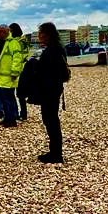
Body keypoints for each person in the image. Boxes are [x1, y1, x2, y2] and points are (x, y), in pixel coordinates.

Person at [37, 22, 68, 164]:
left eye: (41, 33)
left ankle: (56, 154)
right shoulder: (56, 49)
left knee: (51, 120)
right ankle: (55, 152)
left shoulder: (52, 50)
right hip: (52, 89)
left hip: (50, 90)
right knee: (50, 120)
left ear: (47, 34)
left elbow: (50, 71)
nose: (39, 36)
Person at [0, 24, 28, 126]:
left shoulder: (13, 43)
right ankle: (7, 117)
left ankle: (12, 119)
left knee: (9, 99)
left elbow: (17, 58)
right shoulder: (0, 43)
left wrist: (14, 72)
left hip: (8, 77)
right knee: (4, 100)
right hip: (0, 77)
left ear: (4, 32)